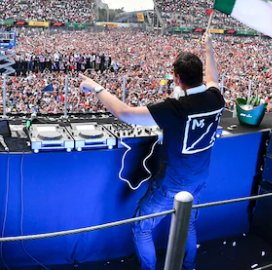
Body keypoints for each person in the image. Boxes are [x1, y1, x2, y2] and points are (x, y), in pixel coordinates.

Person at [79, 33, 225, 270]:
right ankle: (189, 266)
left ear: (177, 78)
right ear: (199, 76)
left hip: (172, 183)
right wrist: (208, 47)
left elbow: (124, 113)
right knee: (187, 223)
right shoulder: (216, 99)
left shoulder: (176, 108)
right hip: (199, 178)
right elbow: (214, 78)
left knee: (141, 227)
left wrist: (97, 87)